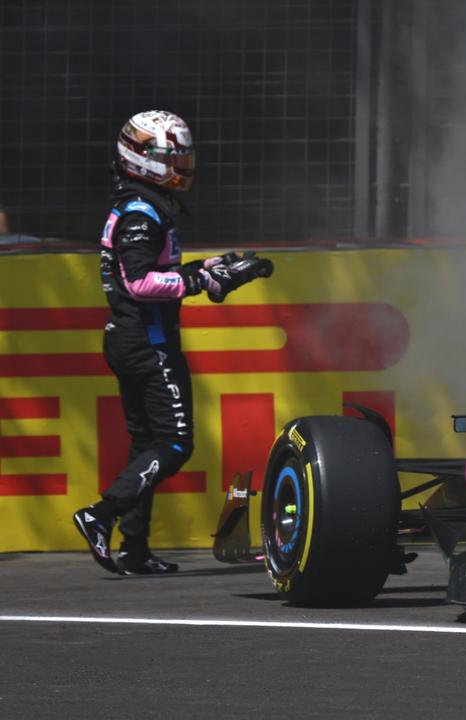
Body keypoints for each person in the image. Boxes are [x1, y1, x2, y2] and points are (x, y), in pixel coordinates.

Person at [72, 110, 273, 575]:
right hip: (148, 343)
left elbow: (160, 272)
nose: (181, 164)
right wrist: (201, 279)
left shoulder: (142, 204)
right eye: (171, 155)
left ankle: (135, 550)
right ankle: (100, 515)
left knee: (146, 445)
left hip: (131, 340)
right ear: (140, 157)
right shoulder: (142, 212)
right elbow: (141, 282)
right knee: (176, 444)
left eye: (184, 154)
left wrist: (217, 267)